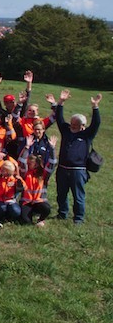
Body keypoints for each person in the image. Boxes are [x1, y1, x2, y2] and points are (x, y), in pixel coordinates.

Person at [53, 90, 101, 224]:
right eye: (72, 123)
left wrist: (95, 107)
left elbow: (96, 123)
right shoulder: (66, 131)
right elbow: (59, 118)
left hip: (78, 170)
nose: (72, 126)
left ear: (83, 126)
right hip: (62, 168)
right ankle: (62, 213)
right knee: (61, 194)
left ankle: (78, 218)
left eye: (76, 125)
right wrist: (61, 102)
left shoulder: (87, 135)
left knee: (78, 195)